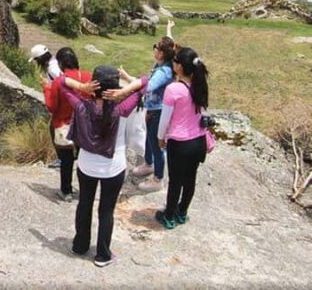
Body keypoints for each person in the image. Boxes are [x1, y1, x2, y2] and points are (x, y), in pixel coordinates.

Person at [62, 66, 148, 267]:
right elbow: (146, 82)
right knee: (106, 210)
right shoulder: (122, 109)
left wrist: (82, 87)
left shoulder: (81, 105)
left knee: (84, 203)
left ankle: (80, 245)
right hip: (113, 167)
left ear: (94, 85)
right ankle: (102, 255)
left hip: (86, 165)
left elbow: (60, 83)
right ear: (114, 88)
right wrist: (125, 91)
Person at [155, 47, 210, 229]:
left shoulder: (174, 89)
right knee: (190, 179)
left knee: (175, 181)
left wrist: (160, 137)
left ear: (179, 67)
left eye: (176, 61)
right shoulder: (199, 84)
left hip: (180, 143)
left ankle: (168, 216)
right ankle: (182, 212)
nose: (173, 63)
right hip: (198, 141)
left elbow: (165, 119)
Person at [132, 21, 176, 192]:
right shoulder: (163, 64)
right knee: (149, 139)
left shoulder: (164, 71)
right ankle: (149, 164)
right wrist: (169, 30)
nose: (154, 49)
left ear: (162, 54)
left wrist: (130, 81)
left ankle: (158, 179)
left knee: (157, 144)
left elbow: (148, 87)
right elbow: (170, 44)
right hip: (152, 109)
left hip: (158, 111)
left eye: (156, 47)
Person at [43, 47, 91, 201]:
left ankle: (66, 191)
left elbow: (51, 106)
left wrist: (46, 89)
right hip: (84, 126)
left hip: (63, 125)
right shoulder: (88, 77)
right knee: (84, 158)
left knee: (66, 160)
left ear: (62, 64)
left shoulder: (58, 82)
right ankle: (85, 190)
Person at [29, 44, 63, 168]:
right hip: (63, 103)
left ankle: (62, 159)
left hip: (62, 104)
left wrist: (46, 86)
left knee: (55, 129)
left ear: (40, 59)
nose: (36, 63)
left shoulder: (52, 69)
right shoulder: (54, 63)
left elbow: (63, 84)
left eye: (36, 60)